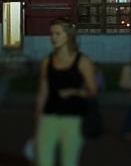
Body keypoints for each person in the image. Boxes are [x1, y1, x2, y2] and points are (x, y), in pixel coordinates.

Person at [36, 17, 97, 166]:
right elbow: (43, 93)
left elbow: (93, 91)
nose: (53, 38)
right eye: (51, 34)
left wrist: (73, 92)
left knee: (69, 162)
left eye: (58, 33)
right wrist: (38, 120)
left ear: (68, 35)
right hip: (49, 117)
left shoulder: (82, 61)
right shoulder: (47, 61)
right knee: (43, 161)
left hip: (73, 119)